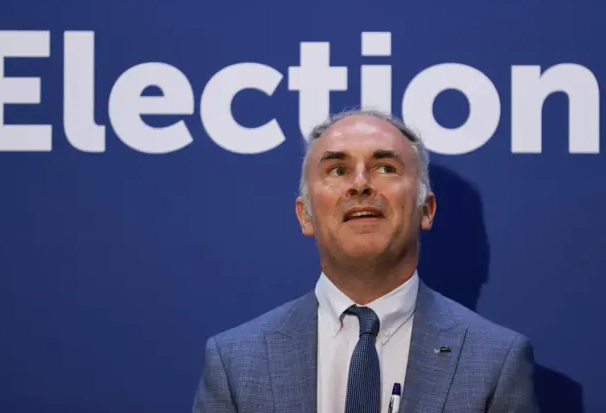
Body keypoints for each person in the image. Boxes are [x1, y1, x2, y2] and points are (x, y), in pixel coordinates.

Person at [192, 108, 539, 413]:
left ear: (426, 210)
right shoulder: (234, 363)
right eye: (338, 170)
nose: (360, 184)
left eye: (385, 167)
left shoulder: (497, 361)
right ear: (305, 216)